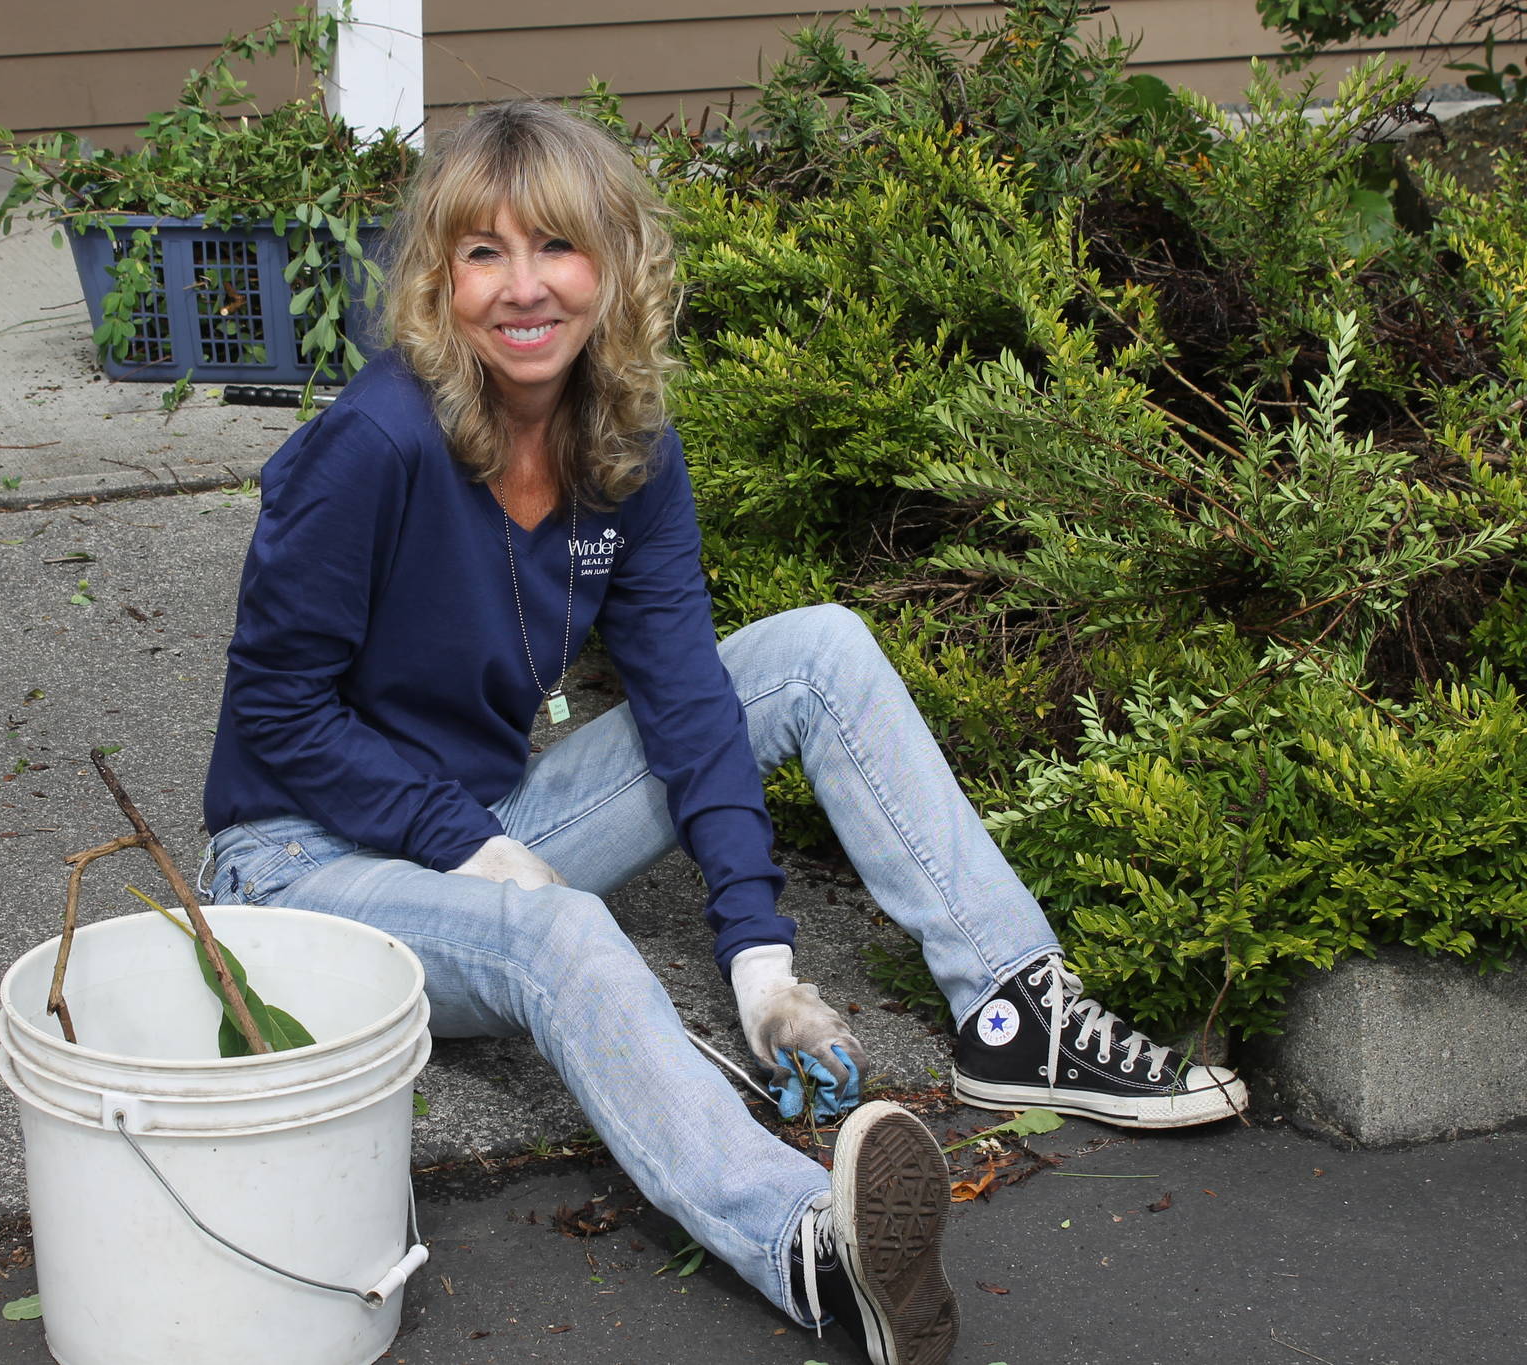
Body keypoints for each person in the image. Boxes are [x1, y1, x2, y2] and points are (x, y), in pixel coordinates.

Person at [201, 100, 1247, 1365]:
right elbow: (275, 716)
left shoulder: (624, 443)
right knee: (557, 931)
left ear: (616, 266)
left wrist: (759, 958)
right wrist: (462, 847)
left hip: (479, 819)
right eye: (483, 252)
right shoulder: (369, 446)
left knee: (817, 649)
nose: (523, 289)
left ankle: (1011, 1014)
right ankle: (809, 1245)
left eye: (557, 249)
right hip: (302, 864)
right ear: (437, 278)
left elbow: (687, 694)